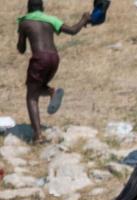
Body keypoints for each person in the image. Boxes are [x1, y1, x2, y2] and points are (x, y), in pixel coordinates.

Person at [16, 0, 90, 144]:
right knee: (36, 88)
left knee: (31, 96)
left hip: (39, 58)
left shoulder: (25, 22)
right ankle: (52, 92)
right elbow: (73, 30)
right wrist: (84, 19)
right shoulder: (50, 20)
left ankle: (38, 135)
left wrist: (22, 35)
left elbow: (21, 48)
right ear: (42, 8)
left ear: (28, 8)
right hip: (54, 58)